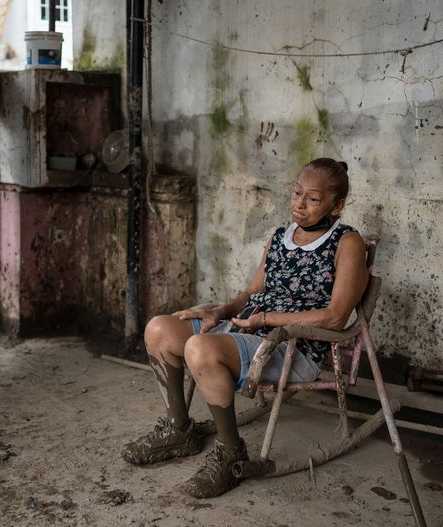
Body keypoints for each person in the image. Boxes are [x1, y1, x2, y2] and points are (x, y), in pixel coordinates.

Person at [122, 157, 369, 498]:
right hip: (249, 329)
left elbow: (335, 317)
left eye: (313, 199)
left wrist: (265, 320)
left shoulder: (347, 242)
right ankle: (178, 429)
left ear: (337, 205)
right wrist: (219, 311)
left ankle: (230, 452)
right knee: (158, 329)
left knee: (199, 348)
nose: (300, 203)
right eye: (296, 193)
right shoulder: (281, 236)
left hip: (294, 348)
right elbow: (253, 292)